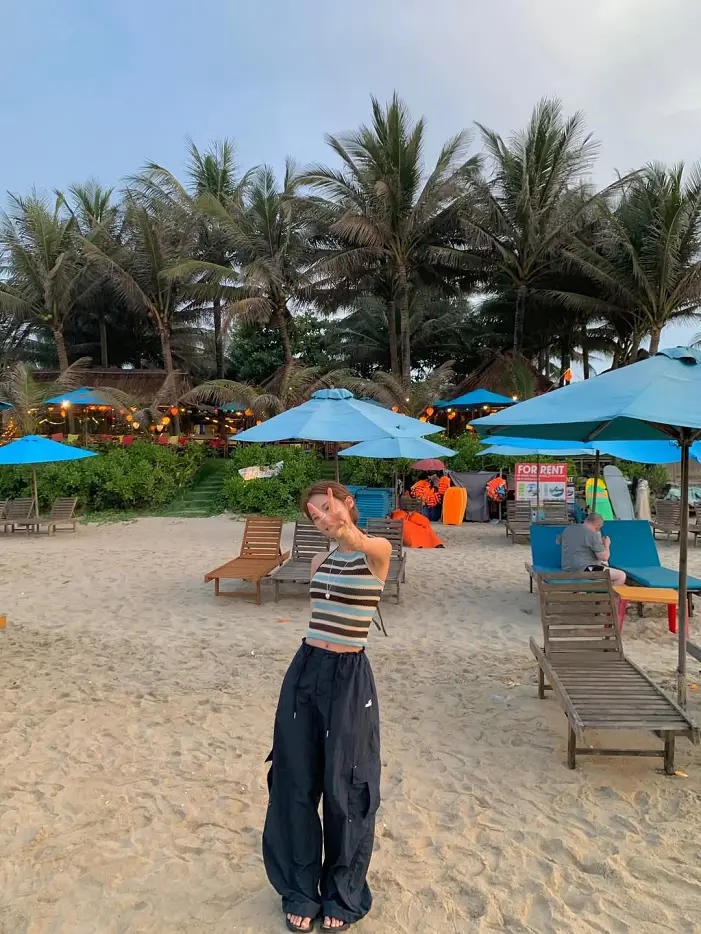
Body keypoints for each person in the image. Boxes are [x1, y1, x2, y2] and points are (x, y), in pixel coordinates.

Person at [263, 481, 392, 933]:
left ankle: (342, 892)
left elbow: (363, 542)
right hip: (306, 671)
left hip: (349, 677)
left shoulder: (376, 553)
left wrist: (347, 530)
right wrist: (335, 532)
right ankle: (300, 889)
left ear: (347, 503)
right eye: (313, 514)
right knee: (294, 780)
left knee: (347, 786)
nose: (320, 518)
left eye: (326, 507)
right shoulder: (319, 561)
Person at [560, 512, 626, 585]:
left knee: (605, 570)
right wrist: (606, 544)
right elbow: (604, 557)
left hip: (567, 568)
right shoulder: (592, 534)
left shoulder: (568, 529)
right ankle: (610, 593)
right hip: (585, 569)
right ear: (598, 525)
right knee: (621, 576)